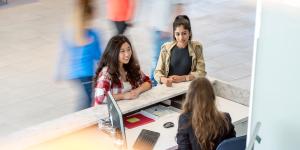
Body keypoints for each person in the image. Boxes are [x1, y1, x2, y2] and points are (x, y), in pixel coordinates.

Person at [56, 0, 102, 110]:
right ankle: (78, 122)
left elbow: (62, 53)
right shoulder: (93, 35)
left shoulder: (69, 33)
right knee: (87, 101)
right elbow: (98, 56)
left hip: (73, 74)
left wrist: (58, 72)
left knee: (85, 98)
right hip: (87, 74)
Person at [176, 77, 236, 150]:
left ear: (189, 97)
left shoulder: (185, 119)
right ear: (212, 97)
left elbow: (183, 148)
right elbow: (232, 146)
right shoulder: (225, 119)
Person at [93, 35, 152, 105]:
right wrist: (124, 96)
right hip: (109, 114)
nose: (127, 54)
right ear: (114, 53)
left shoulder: (130, 67)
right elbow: (100, 97)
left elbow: (148, 82)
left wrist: (137, 91)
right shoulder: (106, 73)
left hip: (129, 109)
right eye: (122, 51)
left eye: (128, 49)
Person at [154, 15, 206, 87]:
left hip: (188, 89)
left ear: (190, 33)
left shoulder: (196, 47)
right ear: (174, 34)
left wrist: (183, 78)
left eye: (184, 33)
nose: (181, 38)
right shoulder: (166, 48)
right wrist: (165, 80)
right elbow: (157, 72)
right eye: (177, 34)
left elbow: (201, 72)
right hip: (169, 88)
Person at [149, 0, 184, 86]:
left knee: (160, 59)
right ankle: (155, 82)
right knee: (158, 58)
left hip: (164, 32)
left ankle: (154, 83)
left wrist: (171, 28)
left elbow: (178, 8)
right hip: (156, 28)